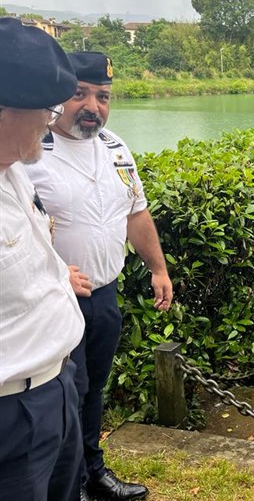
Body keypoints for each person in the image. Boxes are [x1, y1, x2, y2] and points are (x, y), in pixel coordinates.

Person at [26, 51, 174, 501]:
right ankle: (62, 486)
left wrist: (158, 268)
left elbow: (136, 212)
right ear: (57, 95)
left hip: (104, 295)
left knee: (93, 391)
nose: (93, 106)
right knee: (63, 397)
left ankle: (93, 473)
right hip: (52, 301)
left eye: (103, 96)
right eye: (80, 94)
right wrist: (52, 272)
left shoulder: (115, 147)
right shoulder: (28, 151)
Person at [0, 17, 86, 500]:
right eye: (46, 109)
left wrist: (56, 278)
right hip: (11, 415)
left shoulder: (13, 171)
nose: (53, 121)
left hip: (56, 386)